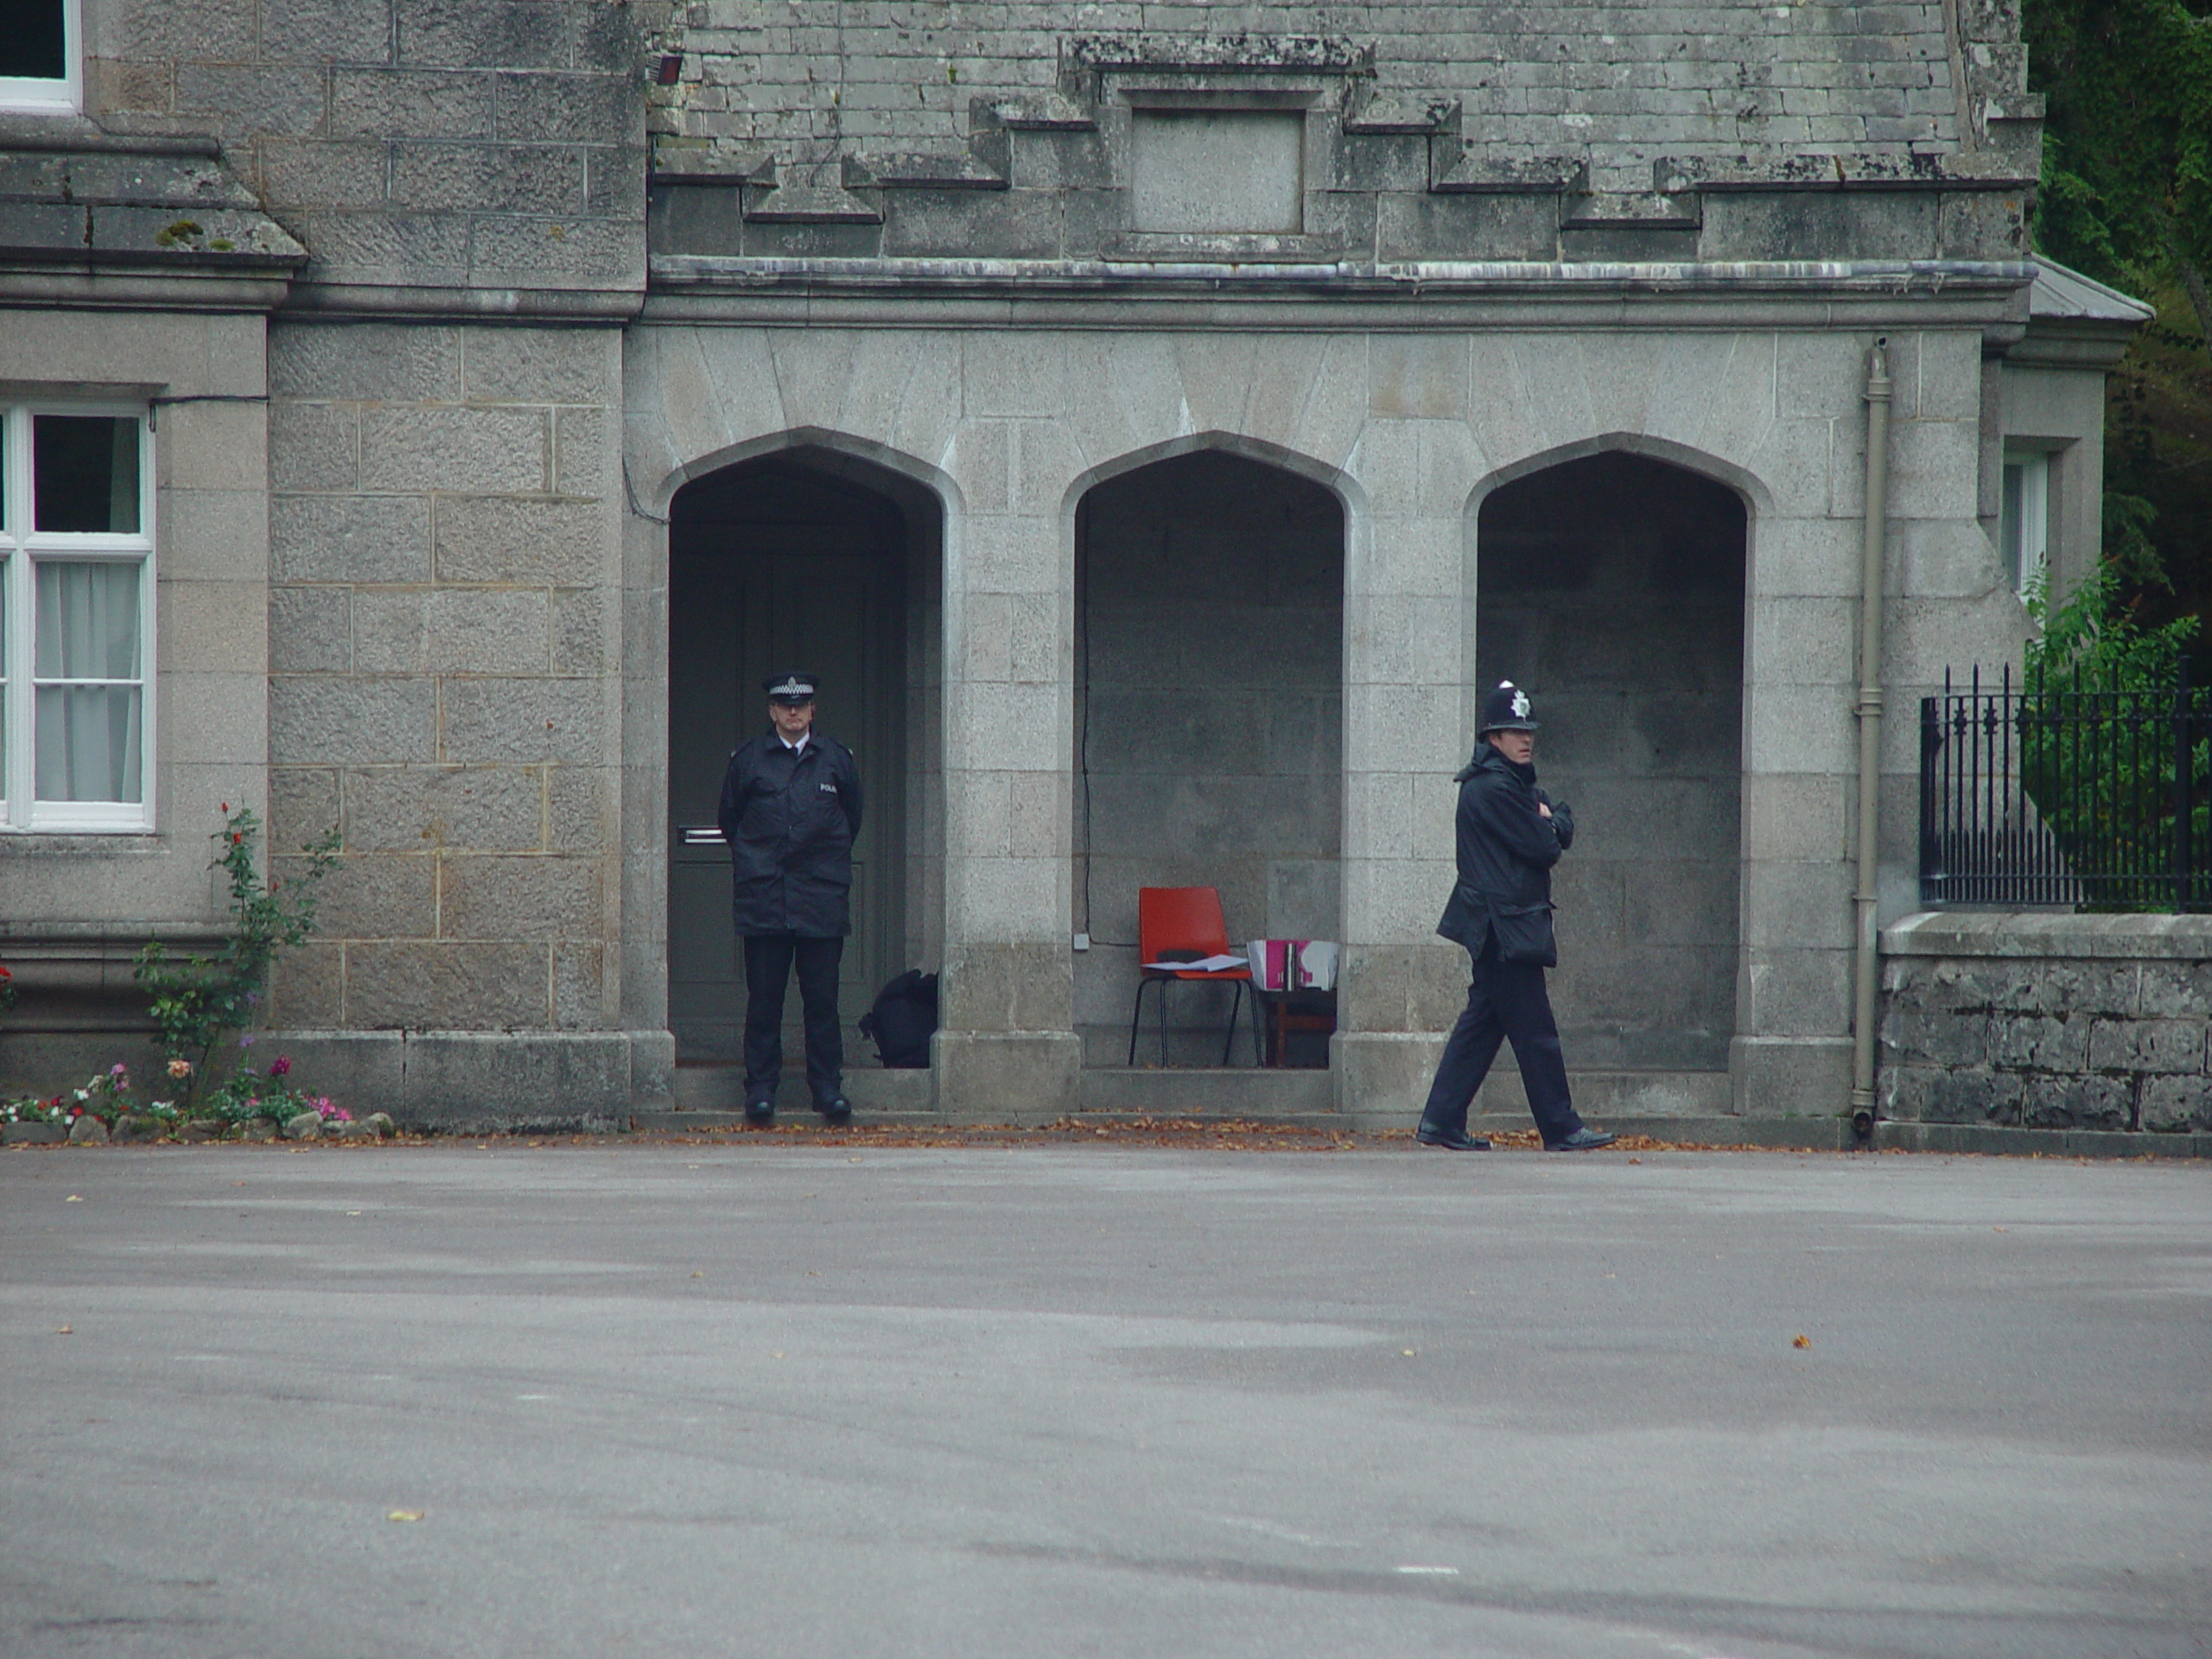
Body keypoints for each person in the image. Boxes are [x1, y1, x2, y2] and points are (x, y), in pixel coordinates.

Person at [1417, 681, 1615, 1153]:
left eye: (1527, 730)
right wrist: (1551, 820)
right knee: (1535, 1031)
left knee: (1483, 1025)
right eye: (1512, 731)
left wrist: (1552, 817)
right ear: (1493, 738)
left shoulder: (1508, 784)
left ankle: (1441, 1119)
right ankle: (1561, 1128)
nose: (1524, 739)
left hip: (1503, 925)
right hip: (1504, 927)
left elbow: (1554, 822)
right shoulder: (1494, 789)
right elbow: (1545, 846)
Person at [717, 671, 864, 1125]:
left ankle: (827, 1091)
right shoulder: (749, 760)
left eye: (801, 704)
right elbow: (731, 820)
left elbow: (851, 819)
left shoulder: (836, 760)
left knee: (822, 1001)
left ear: (813, 710)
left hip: (820, 897)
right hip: (766, 899)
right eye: (785, 705)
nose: (794, 712)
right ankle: (760, 1092)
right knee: (765, 1001)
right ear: (772, 711)